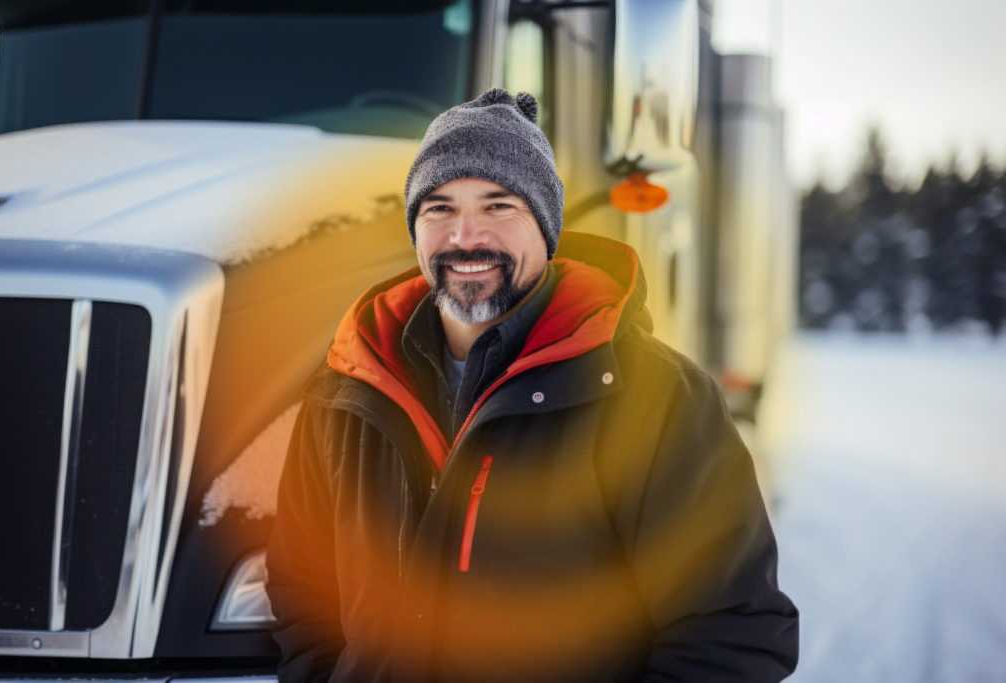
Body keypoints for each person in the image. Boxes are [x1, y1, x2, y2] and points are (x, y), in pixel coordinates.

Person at [265, 88, 799, 683]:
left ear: (546, 227)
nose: (465, 236)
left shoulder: (657, 397)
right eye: (439, 208)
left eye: (499, 206)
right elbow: (302, 593)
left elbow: (730, 633)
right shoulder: (350, 387)